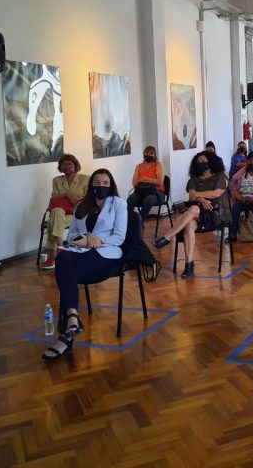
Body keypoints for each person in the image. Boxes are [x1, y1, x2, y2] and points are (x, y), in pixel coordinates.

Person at [42, 168, 127, 360]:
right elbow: (72, 234)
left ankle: (66, 338)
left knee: (67, 275)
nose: (101, 186)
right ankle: (72, 316)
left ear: (111, 185)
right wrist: (84, 238)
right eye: (97, 183)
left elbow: (119, 237)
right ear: (91, 185)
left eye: (105, 183)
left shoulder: (119, 204)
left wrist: (96, 240)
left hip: (107, 252)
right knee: (62, 259)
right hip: (80, 250)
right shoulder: (81, 205)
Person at [152, 151, 230, 278]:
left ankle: (168, 236)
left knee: (193, 209)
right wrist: (202, 200)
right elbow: (191, 196)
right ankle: (189, 264)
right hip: (199, 213)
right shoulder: (194, 179)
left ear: (211, 162)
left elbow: (215, 193)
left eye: (204, 161)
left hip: (215, 214)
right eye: (199, 162)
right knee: (189, 224)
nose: (201, 164)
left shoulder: (220, 176)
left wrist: (197, 195)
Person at [42, 154, 89, 269]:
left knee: (52, 222)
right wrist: (67, 195)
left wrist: (79, 199)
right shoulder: (56, 180)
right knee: (57, 211)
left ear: (75, 166)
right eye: (64, 165)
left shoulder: (85, 179)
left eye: (70, 164)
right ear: (60, 167)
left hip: (78, 215)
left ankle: (53, 254)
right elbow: (54, 197)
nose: (67, 167)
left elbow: (90, 198)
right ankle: (60, 246)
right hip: (62, 214)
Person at [126, 146, 165, 221]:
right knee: (130, 199)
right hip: (141, 192)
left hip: (156, 193)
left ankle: (139, 221)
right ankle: (128, 222)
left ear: (154, 155)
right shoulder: (138, 166)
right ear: (143, 154)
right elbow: (134, 183)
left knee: (148, 200)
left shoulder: (158, 164)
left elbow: (160, 181)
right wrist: (150, 181)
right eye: (146, 153)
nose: (148, 155)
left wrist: (145, 179)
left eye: (151, 153)